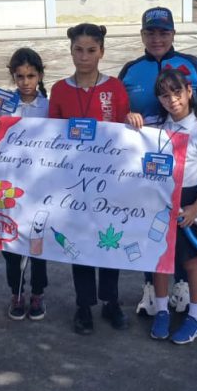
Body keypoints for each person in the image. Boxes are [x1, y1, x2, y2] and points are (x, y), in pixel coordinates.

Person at [119, 6, 197, 309]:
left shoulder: (192, 65)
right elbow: (119, 115)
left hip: (188, 168)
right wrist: (127, 115)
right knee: (152, 233)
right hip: (147, 170)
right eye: (150, 32)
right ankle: (151, 289)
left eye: (164, 32)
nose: (157, 38)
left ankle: (183, 289)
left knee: (184, 243)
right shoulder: (131, 70)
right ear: (142, 35)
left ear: (173, 34)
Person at [126, 68, 197, 344]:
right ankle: (163, 310)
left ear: (189, 92)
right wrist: (129, 121)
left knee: (190, 262)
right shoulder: (156, 129)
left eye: (177, 92)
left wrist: (196, 208)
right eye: (164, 95)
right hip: (160, 204)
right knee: (161, 260)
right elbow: (133, 147)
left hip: (189, 203)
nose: (172, 100)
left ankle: (196, 316)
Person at [49, 23, 131, 335]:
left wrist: (133, 120)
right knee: (80, 242)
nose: (84, 56)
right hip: (74, 182)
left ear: (102, 52)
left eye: (91, 50)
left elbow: (125, 129)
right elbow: (51, 136)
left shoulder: (115, 88)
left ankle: (111, 301)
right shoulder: (59, 89)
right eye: (78, 50)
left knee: (109, 239)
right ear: (70, 51)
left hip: (109, 180)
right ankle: (84, 305)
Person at [0, 47, 51, 321]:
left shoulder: (48, 106)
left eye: (30, 75)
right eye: (19, 76)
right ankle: (16, 292)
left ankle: (37, 294)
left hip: (38, 185)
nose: (25, 81)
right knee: (10, 241)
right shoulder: (2, 104)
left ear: (40, 76)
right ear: (12, 77)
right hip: (8, 185)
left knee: (37, 242)